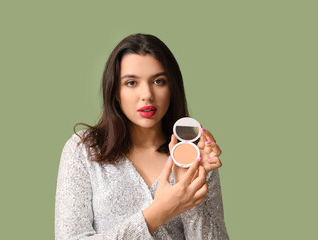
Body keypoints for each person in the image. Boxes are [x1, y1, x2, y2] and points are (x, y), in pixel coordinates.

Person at [55, 33, 229, 240]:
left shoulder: (195, 152)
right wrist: (158, 213)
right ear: (115, 92)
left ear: (172, 88)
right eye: (131, 83)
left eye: (159, 81)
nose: (146, 94)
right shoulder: (84, 149)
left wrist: (191, 187)